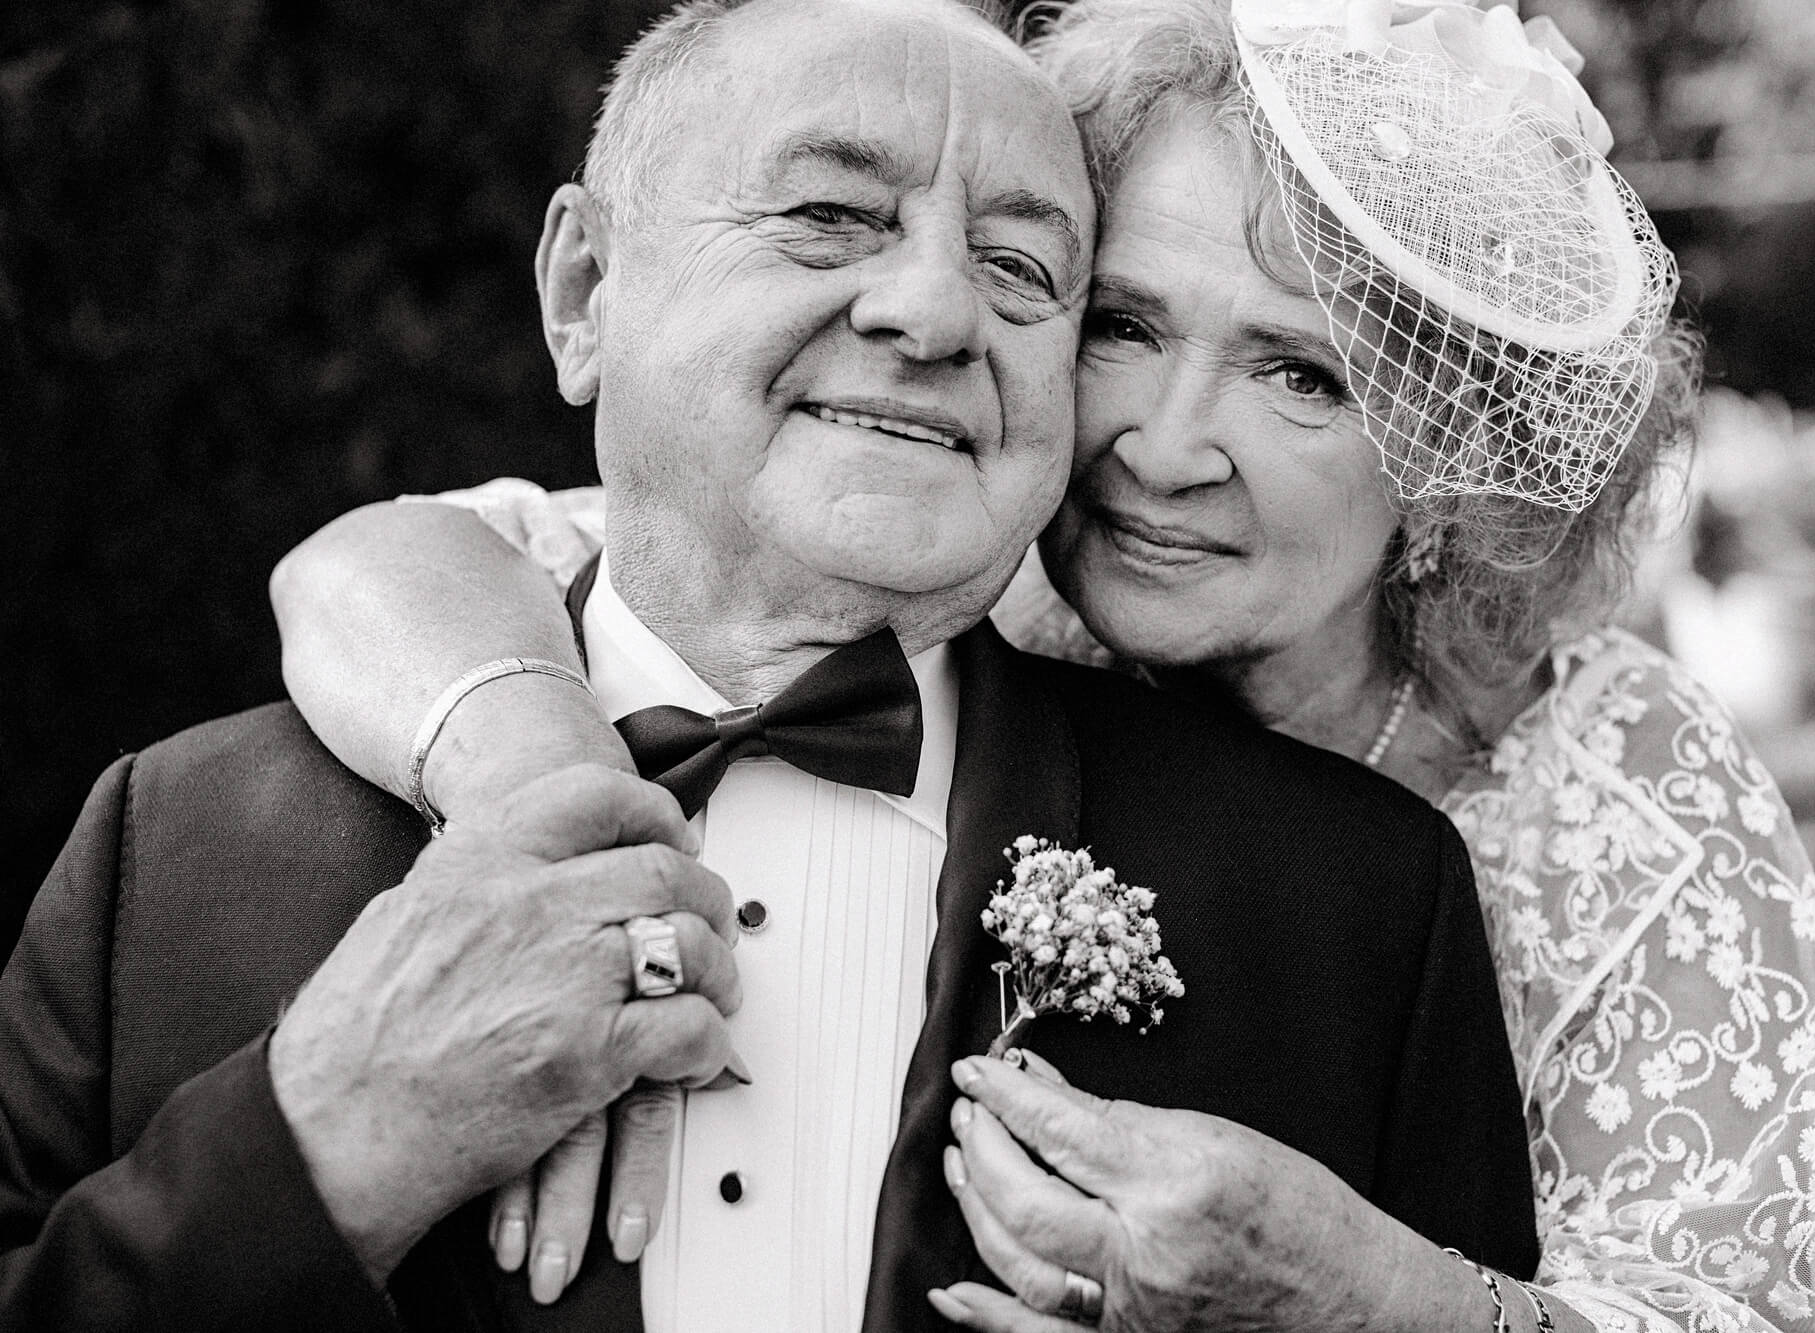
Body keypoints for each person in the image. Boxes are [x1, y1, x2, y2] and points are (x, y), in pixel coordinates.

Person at [270, 0, 1815, 1330]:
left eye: (1300, 376)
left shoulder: (1624, 801)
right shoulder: (962, 565)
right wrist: (546, 812)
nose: (1159, 446)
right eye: (1119, 322)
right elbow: (390, 561)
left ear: (1449, 465)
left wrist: (1364, 1295)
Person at [0, 1, 1541, 1330]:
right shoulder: (171, 852)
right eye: (830, 216)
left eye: (1020, 269)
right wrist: (326, 1139)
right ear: (585, 293)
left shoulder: (1360, 910)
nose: (934, 310)